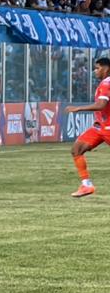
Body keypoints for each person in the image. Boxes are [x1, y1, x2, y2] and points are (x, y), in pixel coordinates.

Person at [66, 57, 110, 198]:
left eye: (97, 68)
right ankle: (86, 185)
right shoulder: (104, 83)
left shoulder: (106, 83)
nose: (95, 71)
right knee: (77, 149)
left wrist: (78, 108)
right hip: (100, 127)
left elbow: (101, 105)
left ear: (106, 68)